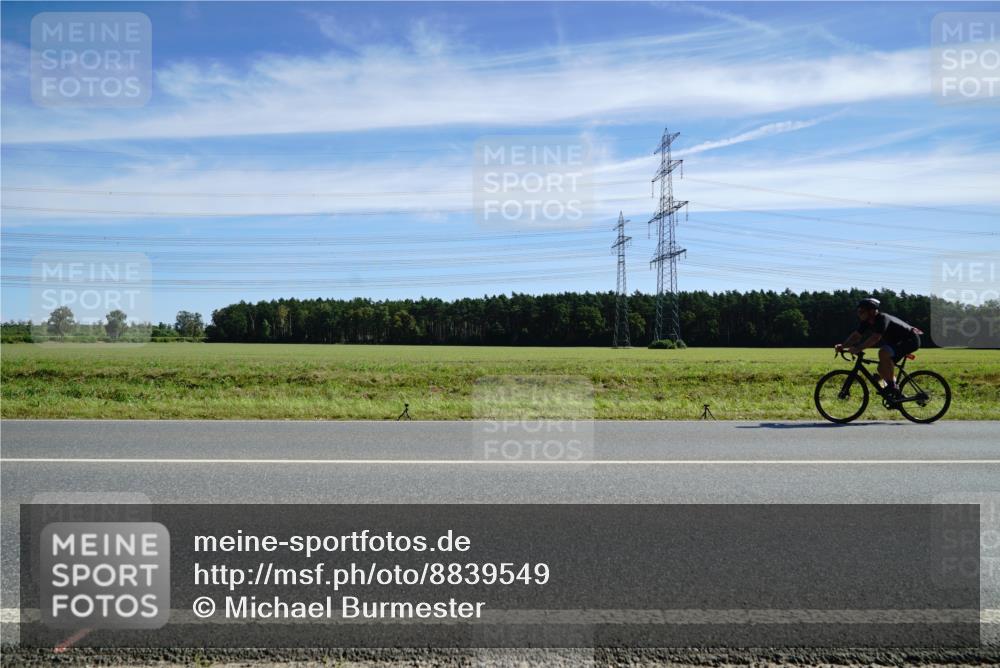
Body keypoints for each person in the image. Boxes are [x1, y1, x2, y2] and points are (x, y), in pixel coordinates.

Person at [836, 297, 922, 398]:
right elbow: (856, 336)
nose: (859, 314)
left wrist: (858, 348)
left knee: (883, 352)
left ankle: (892, 387)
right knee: (881, 369)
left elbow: (875, 338)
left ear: (871, 311)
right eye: (858, 311)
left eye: (861, 311)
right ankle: (896, 394)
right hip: (898, 343)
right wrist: (843, 345)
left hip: (910, 340)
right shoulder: (866, 322)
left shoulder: (882, 319)